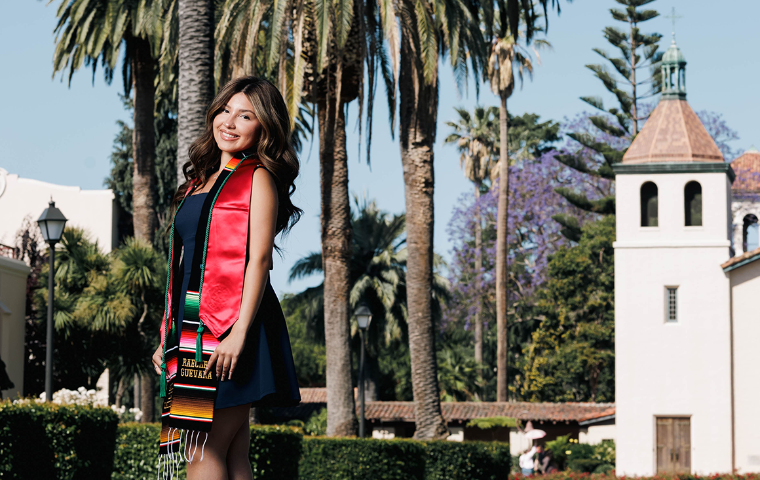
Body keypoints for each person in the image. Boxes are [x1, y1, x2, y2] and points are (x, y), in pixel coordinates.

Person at [151, 76, 302, 480]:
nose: (230, 122)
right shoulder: (197, 183)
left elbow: (259, 262)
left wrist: (237, 334)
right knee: (233, 452)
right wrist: (167, 335)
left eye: (246, 115)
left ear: (264, 127)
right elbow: (183, 269)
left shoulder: (258, 178)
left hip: (231, 330)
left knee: (201, 448)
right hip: (191, 330)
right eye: (225, 110)